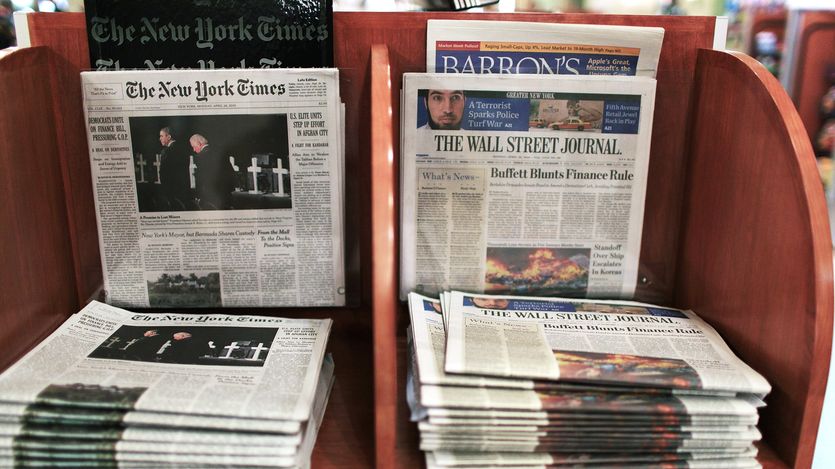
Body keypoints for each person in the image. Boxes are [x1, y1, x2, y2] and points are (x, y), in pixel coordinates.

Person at [189, 133, 237, 210]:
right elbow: (230, 171)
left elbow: (202, 179)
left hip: (211, 196)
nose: (194, 150)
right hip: (226, 192)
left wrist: (199, 195)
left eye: (194, 147)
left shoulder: (201, 156)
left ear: (199, 143)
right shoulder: (219, 151)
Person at [157, 127, 193, 210]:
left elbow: (164, 173)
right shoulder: (183, 149)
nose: (160, 139)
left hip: (171, 192)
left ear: (169, 137)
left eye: (162, 136)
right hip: (183, 190)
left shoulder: (167, 151)